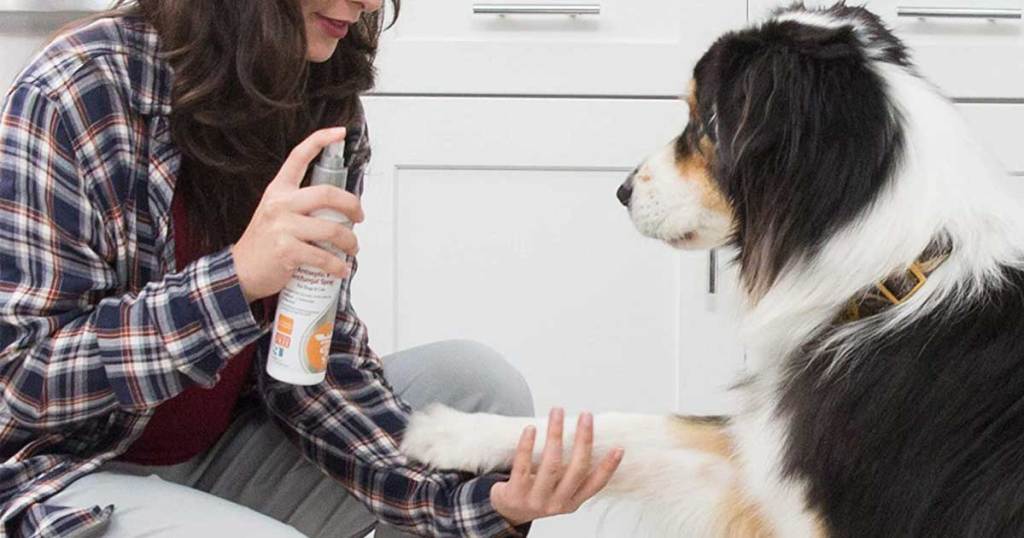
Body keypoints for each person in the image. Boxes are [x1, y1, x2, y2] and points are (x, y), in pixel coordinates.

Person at [0, 1, 623, 536]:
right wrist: (235, 282)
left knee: (476, 387)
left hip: (214, 454)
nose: (370, 4)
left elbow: (311, 367)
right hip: (64, 476)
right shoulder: (78, 89)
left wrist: (479, 505)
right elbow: (20, 379)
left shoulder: (317, 98)